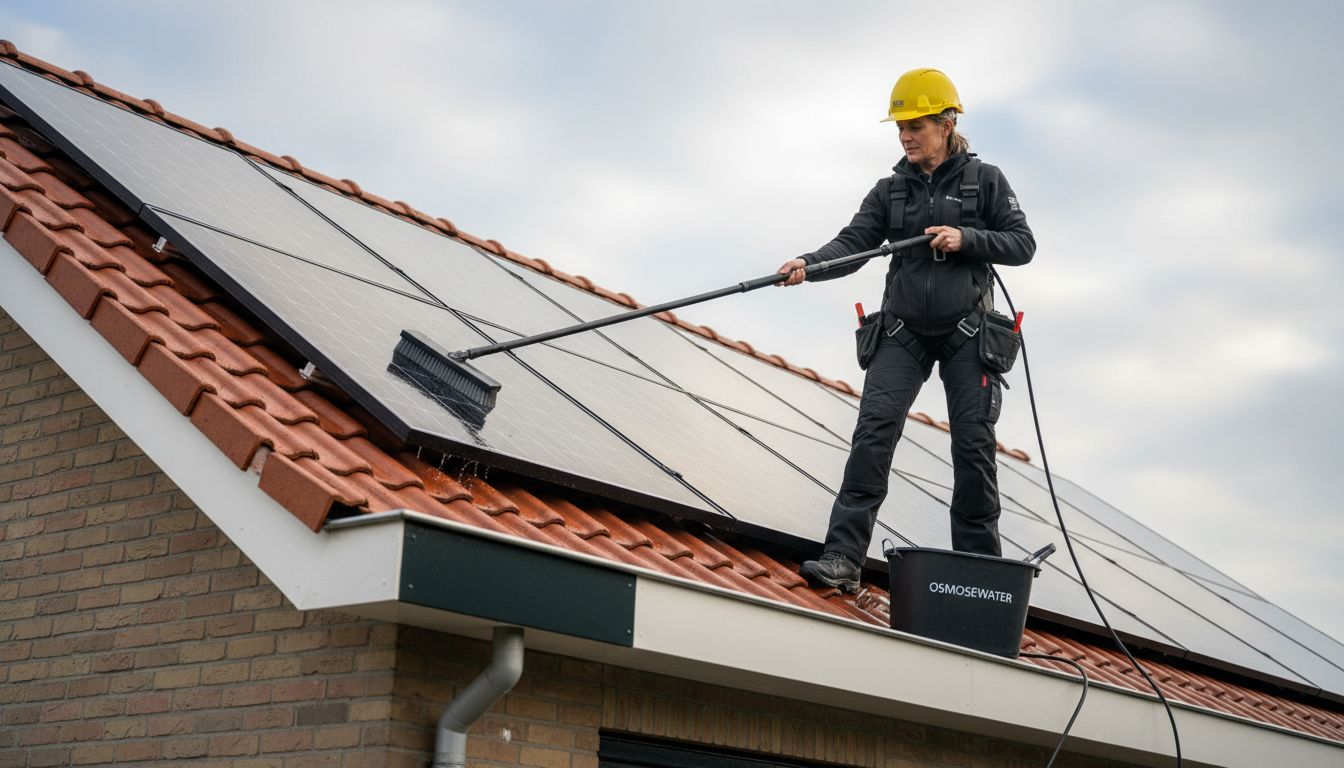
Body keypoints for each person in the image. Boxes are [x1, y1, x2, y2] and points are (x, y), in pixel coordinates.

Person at [776, 68, 1035, 593]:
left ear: (946, 122)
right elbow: (851, 245)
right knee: (872, 435)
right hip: (902, 333)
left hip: (969, 334)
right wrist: (808, 263)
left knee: (973, 446)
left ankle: (982, 578)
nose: (905, 136)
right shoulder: (889, 191)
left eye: (915, 125)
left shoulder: (987, 182)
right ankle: (842, 557)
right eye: (899, 127)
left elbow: (1022, 244)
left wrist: (967, 238)